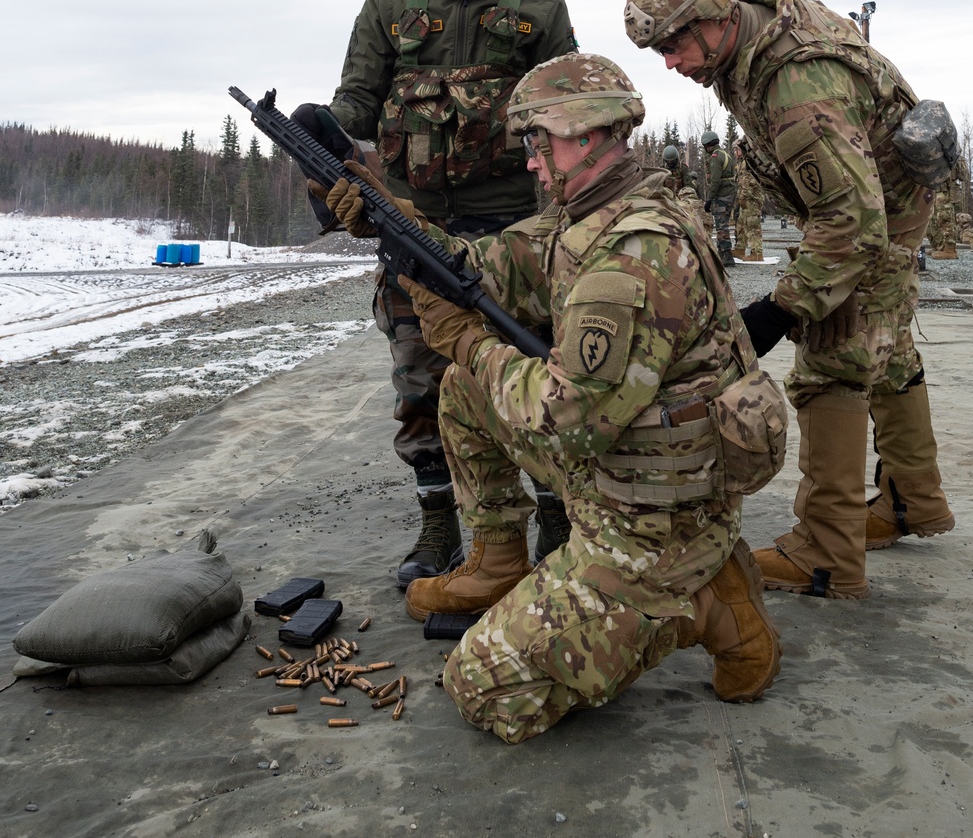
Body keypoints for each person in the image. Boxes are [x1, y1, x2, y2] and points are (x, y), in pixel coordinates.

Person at [325, 53, 786, 743]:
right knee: (464, 392)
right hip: (631, 474)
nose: (531, 162)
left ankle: (702, 603)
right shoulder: (592, 213)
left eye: (539, 142)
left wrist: (473, 344)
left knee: (484, 688)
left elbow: (563, 425)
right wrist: (400, 223)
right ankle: (500, 560)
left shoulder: (633, 253)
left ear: (590, 136)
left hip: (652, 524)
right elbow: (484, 265)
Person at [624, 0, 956, 599]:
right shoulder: (751, 36)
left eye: (673, 44)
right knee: (885, 348)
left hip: (871, 216)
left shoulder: (794, 81)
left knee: (830, 359)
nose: (669, 61)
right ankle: (912, 502)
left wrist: (780, 312)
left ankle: (826, 557)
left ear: (716, 18)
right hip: (881, 203)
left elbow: (851, 221)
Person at [296, 0, 577, 588]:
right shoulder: (390, 4)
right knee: (419, 378)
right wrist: (327, 140)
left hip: (514, 226)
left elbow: (563, 109)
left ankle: (555, 517)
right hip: (412, 222)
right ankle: (438, 523)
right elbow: (358, 100)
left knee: (531, 364)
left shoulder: (540, 7)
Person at [701, 130, 737, 267]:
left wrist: (709, 199)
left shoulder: (715, 157)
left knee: (721, 226)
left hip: (721, 195)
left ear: (707, 144)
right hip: (730, 194)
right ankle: (723, 253)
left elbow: (715, 180)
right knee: (724, 224)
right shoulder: (725, 154)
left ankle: (726, 257)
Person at [733, 139, 765, 262]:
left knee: (752, 225)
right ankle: (740, 249)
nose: (735, 153)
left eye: (737, 150)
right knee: (741, 224)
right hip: (745, 198)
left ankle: (757, 253)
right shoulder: (742, 162)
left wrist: (743, 196)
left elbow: (747, 182)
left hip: (751, 199)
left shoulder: (749, 161)